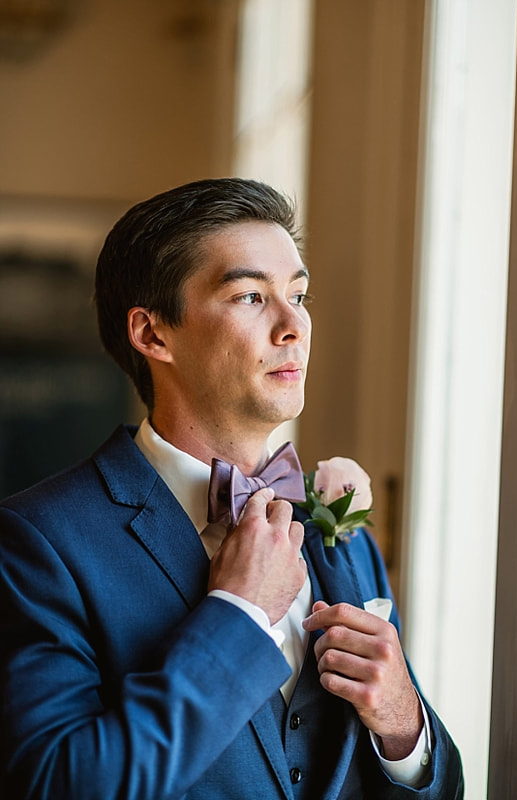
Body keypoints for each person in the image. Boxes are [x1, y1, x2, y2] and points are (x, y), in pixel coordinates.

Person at [0, 178, 463, 799]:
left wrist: (404, 728)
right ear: (153, 334)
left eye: (298, 294)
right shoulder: (37, 544)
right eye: (250, 296)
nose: (293, 324)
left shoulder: (341, 528)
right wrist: (238, 618)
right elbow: (61, 783)